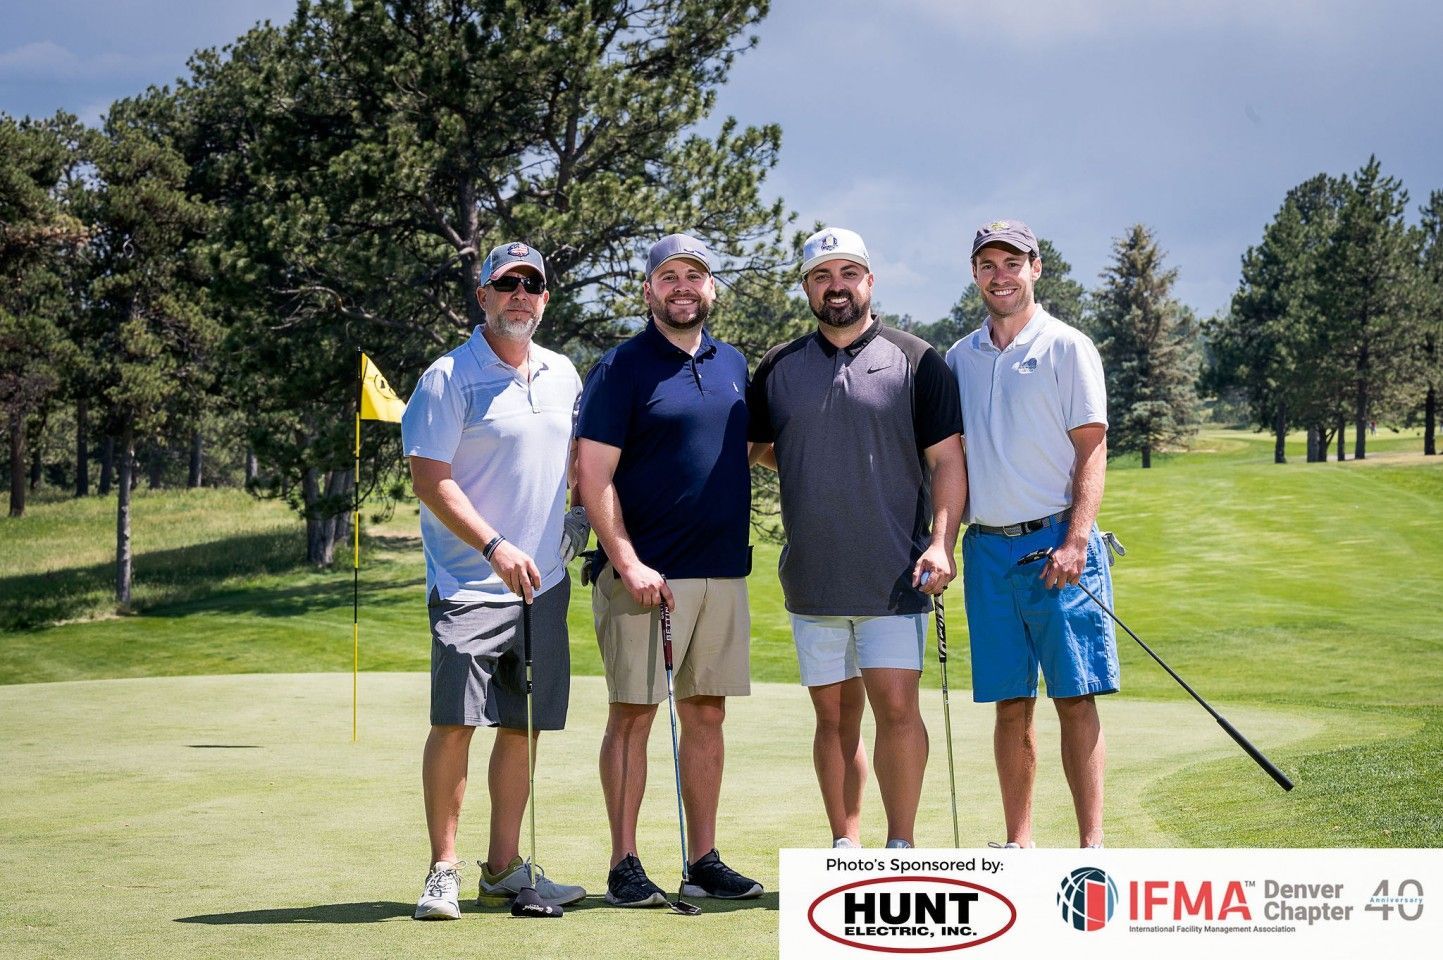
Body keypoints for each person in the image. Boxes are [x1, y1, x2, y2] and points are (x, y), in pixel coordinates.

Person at [748, 227, 966, 849]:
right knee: (834, 718)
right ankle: (846, 844)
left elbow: (948, 461)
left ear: (869, 282)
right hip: (813, 576)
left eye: (847, 274)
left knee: (897, 710)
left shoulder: (918, 359)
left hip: (894, 574)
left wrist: (941, 543)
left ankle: (901, 844)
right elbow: (760, 449)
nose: (835, 286)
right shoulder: (779, 367)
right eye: (821, 276)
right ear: (808, 289)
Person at [402, 241, 590, 919]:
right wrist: (494, 546)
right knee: (456, 723)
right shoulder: (449, 376)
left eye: (531, 284)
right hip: (470, 585)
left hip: (544, 585)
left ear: (544, 298)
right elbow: (430, 478)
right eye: (505, 283)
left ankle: (504, 868)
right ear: (481, 296)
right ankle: (443, 871)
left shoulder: (563, 373)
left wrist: (576, 513)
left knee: (522, 725)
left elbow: (573, 459)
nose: (519, 294)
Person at [576, 234, 763, 905]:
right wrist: (625, 560)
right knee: (632, 716)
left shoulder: (733, 363)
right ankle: (623, 862)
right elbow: (591, 474)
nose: (682, 287)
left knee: (706, 714)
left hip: (721, 570)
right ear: (648, 288)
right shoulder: (621, 366)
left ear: (710, 288)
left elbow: (754, 449)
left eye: (694, 276)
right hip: (644, 576)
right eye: (668, 277)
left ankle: (703, 857)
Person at [944, 219, 1117, 849]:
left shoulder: (1068, 347)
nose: (1000, 275)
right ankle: (1019, 844)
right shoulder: (958, 359)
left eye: (1012, 263)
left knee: (1075, 696)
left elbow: (1091, 449)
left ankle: (1091, 844)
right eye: (988, 264)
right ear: (975, 274)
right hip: (987, 547)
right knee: (1010, 703)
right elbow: (950, 461)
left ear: (1035, 268)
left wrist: (1077, 540)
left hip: (1056, 545)